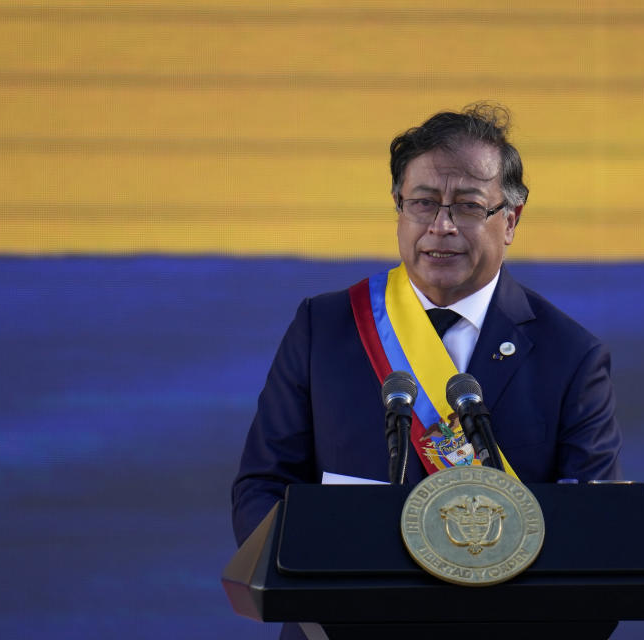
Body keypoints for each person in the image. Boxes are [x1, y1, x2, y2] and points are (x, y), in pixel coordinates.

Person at [232, 102, 623, 547]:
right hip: (342, 614)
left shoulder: (570, 356)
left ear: (510, 221)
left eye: (468, 207)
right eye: (422, 203)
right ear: (399, 207)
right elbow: (262, 487)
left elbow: (591, 527)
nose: (442, 226)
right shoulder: (324, 328)